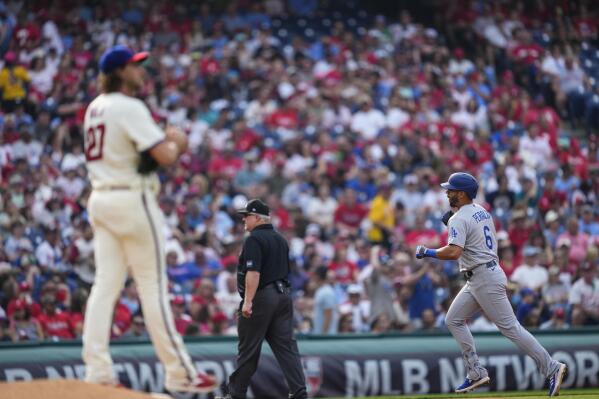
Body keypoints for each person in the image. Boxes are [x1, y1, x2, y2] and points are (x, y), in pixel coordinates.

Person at [81, 45, 217, 393]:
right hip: (131, 198)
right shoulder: (128, 106)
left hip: (100, 198)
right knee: (151, 284)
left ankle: (97, 370)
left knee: (105, 285)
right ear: (118, 72)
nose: (141, 71)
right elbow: (165, 156)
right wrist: (178, 143)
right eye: (134, 66)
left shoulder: (94, 107)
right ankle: (180, 372)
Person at [414, 172, 567, 396]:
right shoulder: (482, 212)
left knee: (511, 328)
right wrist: (454, 221)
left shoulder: (459, 218)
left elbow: (455, 251)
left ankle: (551, 368)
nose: (447, 193)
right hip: (481, 275)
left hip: (483, 277)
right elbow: (472, 237)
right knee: (453, 320)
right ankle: (475, 371)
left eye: (452, 190)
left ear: (463, 193)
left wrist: (427, 252)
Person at [219, 199, 307, 399]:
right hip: (284, 296)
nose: (244, 219)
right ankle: (299, 392)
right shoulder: (281, 239)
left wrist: (248, 301)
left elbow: (254, 272)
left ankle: (235, 394)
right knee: (286, 347)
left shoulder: (254, 239)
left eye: (247, 216)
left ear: (257, 218)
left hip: (262, 296)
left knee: (249, 348)